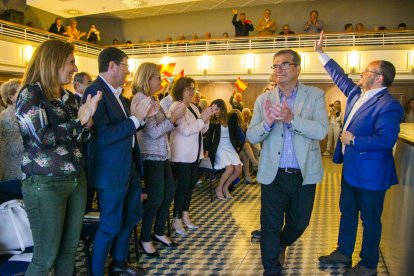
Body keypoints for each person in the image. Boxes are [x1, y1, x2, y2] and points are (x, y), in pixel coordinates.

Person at [315, 32, 404, 276]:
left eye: (366, 72)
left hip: (372, 174)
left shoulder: (389, 105)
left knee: (370, 220)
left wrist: (354, 139)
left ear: (379, 78)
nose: (361, 74)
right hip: (351, 170)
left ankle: (368, 265)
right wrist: (321, 54)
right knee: (347, 213)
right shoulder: (357, 94)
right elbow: (340, 76)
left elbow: (386, 140)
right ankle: (344, 253)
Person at [15, 39, 101, 275]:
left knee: (69, 251)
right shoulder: (30, 94)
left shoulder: (68, 97)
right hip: (45, 184)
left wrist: (87, 123)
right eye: (71, 62)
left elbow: (81, 139)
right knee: (46, 256)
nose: (75, 68)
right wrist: (78, 122)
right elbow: (43, 138)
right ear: (53, 62)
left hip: (76, 180)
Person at [246, 49, 328, 276]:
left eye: (284, 65)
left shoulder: (315, 95)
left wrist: (292, 119)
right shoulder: (264, 99)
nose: (278, 70)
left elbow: (321, 130)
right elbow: (251, 136)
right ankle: (271, 269)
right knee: (270, 224)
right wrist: (268, 122)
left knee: (300, 223)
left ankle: (282, 242)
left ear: (297, 68)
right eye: (275, 66)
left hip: (304, 173)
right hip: (273, 174)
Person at [83, 47, 152, 276]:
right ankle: (96, 273)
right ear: (112, 66)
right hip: (110, 171)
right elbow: (102, 135)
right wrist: (135, 120)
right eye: (126, 65)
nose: (128, 71)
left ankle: (119, 263)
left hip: (128, 166)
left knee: (132, 217)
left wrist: (139, 120)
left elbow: (126, 130)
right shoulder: (95, 91)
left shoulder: (119, 95)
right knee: (110, 225)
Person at [131, 62, 186, 258]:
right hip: (150, 155)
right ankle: (145, 236)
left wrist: (172, 118)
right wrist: (171, 120)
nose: (161, 81)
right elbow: (152, 132)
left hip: (162, 154)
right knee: (156, 197)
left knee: (168, 193)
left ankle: (159, 231)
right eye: (157, 77)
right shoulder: (140, 99)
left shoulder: (152, 98)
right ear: (147, 79)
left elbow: (161, 126)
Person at [169, 77, 215, 235]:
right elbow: (186, 130)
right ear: (180, 90)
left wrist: (206, 118)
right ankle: (176, 219)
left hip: (194, 154)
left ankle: (186, 216)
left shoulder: (194, 108)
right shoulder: (176, 106)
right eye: (189, 89)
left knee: (189, 187)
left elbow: (201, 130)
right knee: (182, 188)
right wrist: (202, 119)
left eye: (193, 88)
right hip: (182, 154)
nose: (192, 92)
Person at [206, 100, 243, 200]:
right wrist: (207, 152)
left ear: (222, 109)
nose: (215, 112)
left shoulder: (232, 117)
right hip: (219, 147)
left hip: (230, 146)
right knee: (229, 168)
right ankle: (219, 189)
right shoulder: (213, 121)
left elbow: (236, 133)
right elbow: (209, 138)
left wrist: (239, 144)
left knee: (238, 169)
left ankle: (225, 187)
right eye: (213, 110)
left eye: (217, 109)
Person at [0, 79, 23, 182]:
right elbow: (13, 147)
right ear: (11, 97)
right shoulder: (8, 116)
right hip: (15, 170)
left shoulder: (20, 112)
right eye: (21, 91)